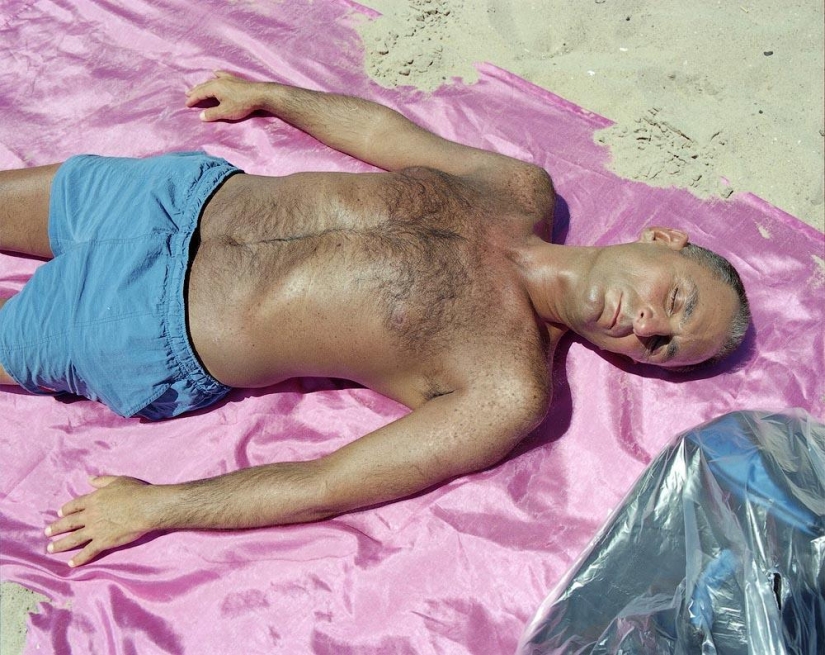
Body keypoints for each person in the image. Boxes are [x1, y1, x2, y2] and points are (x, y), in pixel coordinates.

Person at [0, 72, 749, 567]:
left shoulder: (506, 387)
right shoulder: (520, 187)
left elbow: (332, 482)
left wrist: (159, 506)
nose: (650, 324)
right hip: (169, 197)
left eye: (665, 348)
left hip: (145, 323)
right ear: (661, 241)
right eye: (677, 300)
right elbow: (389, 139)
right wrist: (274, 96)